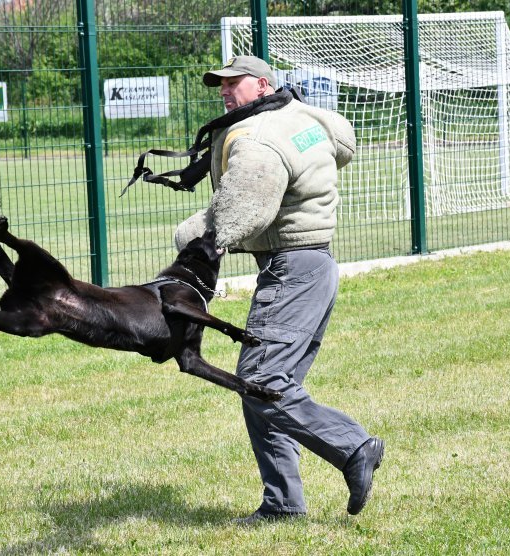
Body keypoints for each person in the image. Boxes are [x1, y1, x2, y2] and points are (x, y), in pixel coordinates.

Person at [174, 55, 384, 524]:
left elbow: (244, 210)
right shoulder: (305, 117)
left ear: (263, 84)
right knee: (268, 387)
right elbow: (343, 145)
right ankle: (282, 503)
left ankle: (354, 448)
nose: (225, 92)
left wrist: (194, 241)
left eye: (235, 84)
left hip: (291, 270)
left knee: (262, 382)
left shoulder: (259, 139)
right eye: (221, 86)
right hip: (317, 263)